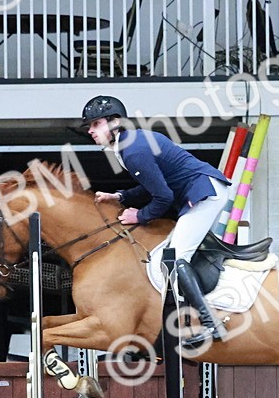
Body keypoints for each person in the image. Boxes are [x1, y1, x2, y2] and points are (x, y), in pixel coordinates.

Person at [81, 95, 230, 346]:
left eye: (95, 124)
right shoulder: (130, 143)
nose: (90, 131)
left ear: (114, 122)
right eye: (89, 126)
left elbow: (162, 196)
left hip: (205, 193)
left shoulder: (133, 150)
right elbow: (153, 185)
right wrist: (120, 195)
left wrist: (138, 215)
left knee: (174, 257)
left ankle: (210, 324)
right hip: (202, 189)